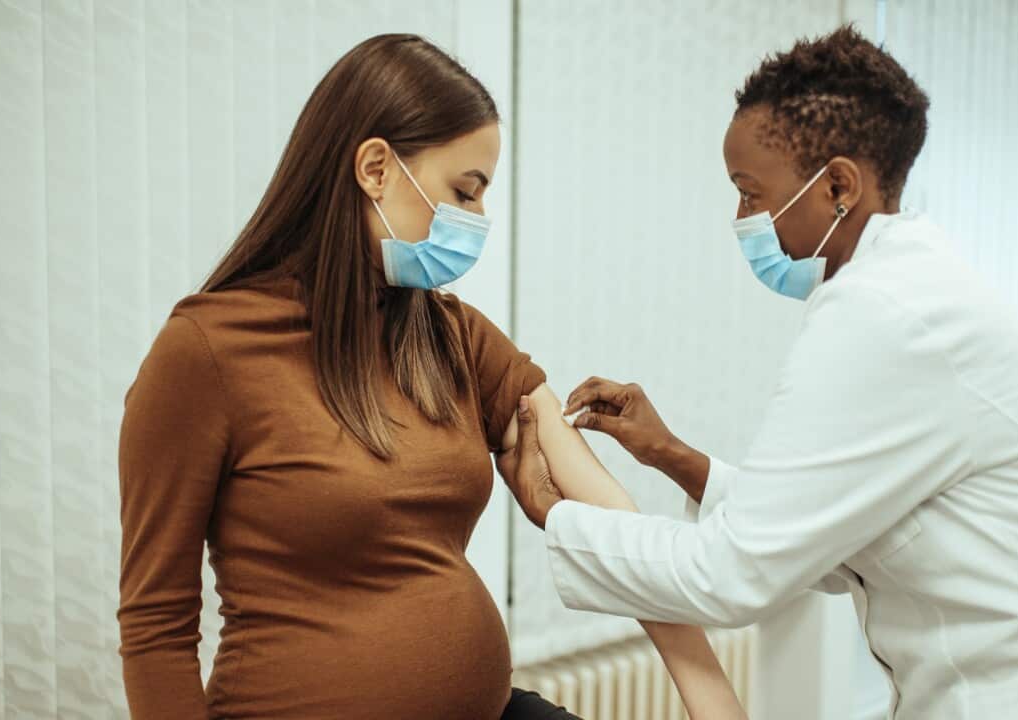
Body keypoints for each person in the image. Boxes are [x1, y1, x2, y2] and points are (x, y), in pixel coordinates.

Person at [498, 26, 1018, 720]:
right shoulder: (914, 294)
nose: (740, 217)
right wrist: (675, 457)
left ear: (837, 185)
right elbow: (833, 543)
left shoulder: (882, 313)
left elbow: (733, 573)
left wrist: (554, 514)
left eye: (750, 191)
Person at [117, 34, 743, 720]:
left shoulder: (451, 336)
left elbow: (606, 512)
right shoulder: (206, 353)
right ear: (376, 169)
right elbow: (156, 627)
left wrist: (711, 699)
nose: (479, 220)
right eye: (464, 193)